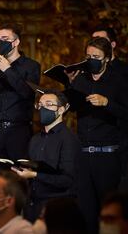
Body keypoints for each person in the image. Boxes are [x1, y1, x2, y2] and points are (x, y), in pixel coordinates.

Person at [66, 37, 128, 233]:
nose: (91, 60)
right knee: (85, 211)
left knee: (108, 211)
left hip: (107, 155)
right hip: (83, 153)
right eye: (88, 56)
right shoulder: (81, 78)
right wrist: (69, 89)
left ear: (106, 58)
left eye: (96, 57)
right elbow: (73, 106)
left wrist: (107, 103)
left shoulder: (118, 80)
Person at [12, 91, 79, 222]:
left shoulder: (69, 139)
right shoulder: (35, 139)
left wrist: (35, 175)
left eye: (48, 104)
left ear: (60, 110)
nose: (43, 108)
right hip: (32, 204)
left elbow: (68, 180)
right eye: (40, 105)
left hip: (56, 207)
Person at [0, 23, 41, 176]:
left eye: (5, 38)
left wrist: (9, 70)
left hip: (19, 131)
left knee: (20, 178)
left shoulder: (31, 66)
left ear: (16, 42)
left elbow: (28, 93)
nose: (0, 42)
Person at [92, 25, 128, 176]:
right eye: (94, 40)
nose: (96, 43)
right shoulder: (87, 72)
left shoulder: (125, 72)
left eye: (101, 40)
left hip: (117, 140)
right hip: (92, 138)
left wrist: (107, 102)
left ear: (112, 45)